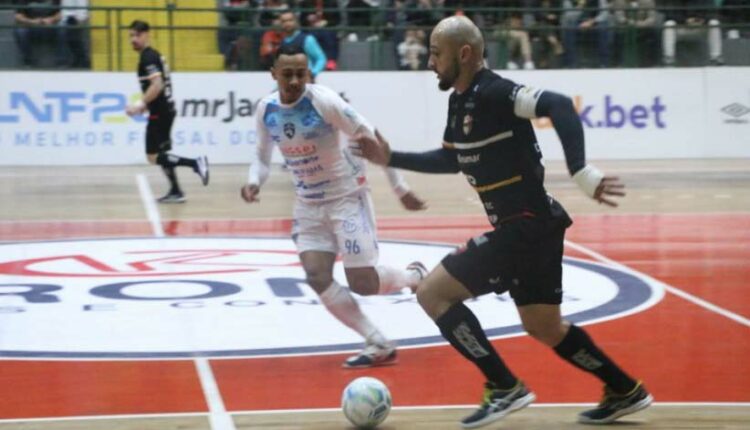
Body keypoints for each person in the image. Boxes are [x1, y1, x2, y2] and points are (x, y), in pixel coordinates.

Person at [356, 15, 652, 428]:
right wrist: (391, 159)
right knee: (544, 326)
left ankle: (504, 386)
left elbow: (559, 105)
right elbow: (451, 158)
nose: (429, 63)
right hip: (537, 228)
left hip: (525, 226)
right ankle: (624, 389)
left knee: (432, 293)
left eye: (436, 54)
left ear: (465, 54)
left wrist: (580, 170)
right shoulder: (459, 101)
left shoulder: (497, 92)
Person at [241, 44, 429, 368]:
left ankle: (414, 277)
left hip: (346, 198)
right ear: (273, 74)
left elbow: (374, 141)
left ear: (309, 74)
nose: (296, 80)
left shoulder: (324, 101)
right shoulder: (266, 110)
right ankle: (377, 341)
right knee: (316, 275)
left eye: (302, 73)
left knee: (363, 284)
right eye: (288, 74)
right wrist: (254, 181)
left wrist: (400, 188)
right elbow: (261, 157)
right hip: (308, 203)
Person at [124, 20, 209, 203]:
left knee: (153, 156)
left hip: (161, 113)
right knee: (163, 154)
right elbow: (159, 88)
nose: (133, 39)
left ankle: (195, 163)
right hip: (164, 110)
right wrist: (146, 106)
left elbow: (157, 85)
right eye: (131, 36)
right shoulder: (152, 56)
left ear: (147, 35)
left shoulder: (148, 57)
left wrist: (139, 104)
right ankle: (176, 190)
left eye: (137, 35)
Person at [278, 10, 327, 81]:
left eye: (290, 20)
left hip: (305, 82)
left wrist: (313, 73)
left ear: (296, 22)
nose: (287, 23)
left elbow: (321, 58)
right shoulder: (282, 42)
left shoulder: (307, 39)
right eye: (284, 21)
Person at [13, 0, 61, 67]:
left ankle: (61, 61)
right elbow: (18, 16)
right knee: (21, 31)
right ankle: (28, 61)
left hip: (50, 26)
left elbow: (61, 13)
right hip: (31, 26)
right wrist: (32, 21)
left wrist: (51, 19)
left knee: (62, 29)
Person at [58, 0, 90, 68]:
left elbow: (82, 4)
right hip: (66, 19)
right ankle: (75, 61)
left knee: (75, 41)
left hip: (75, 19)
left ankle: (81, 61)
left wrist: (80, 18)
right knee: (71, 41)